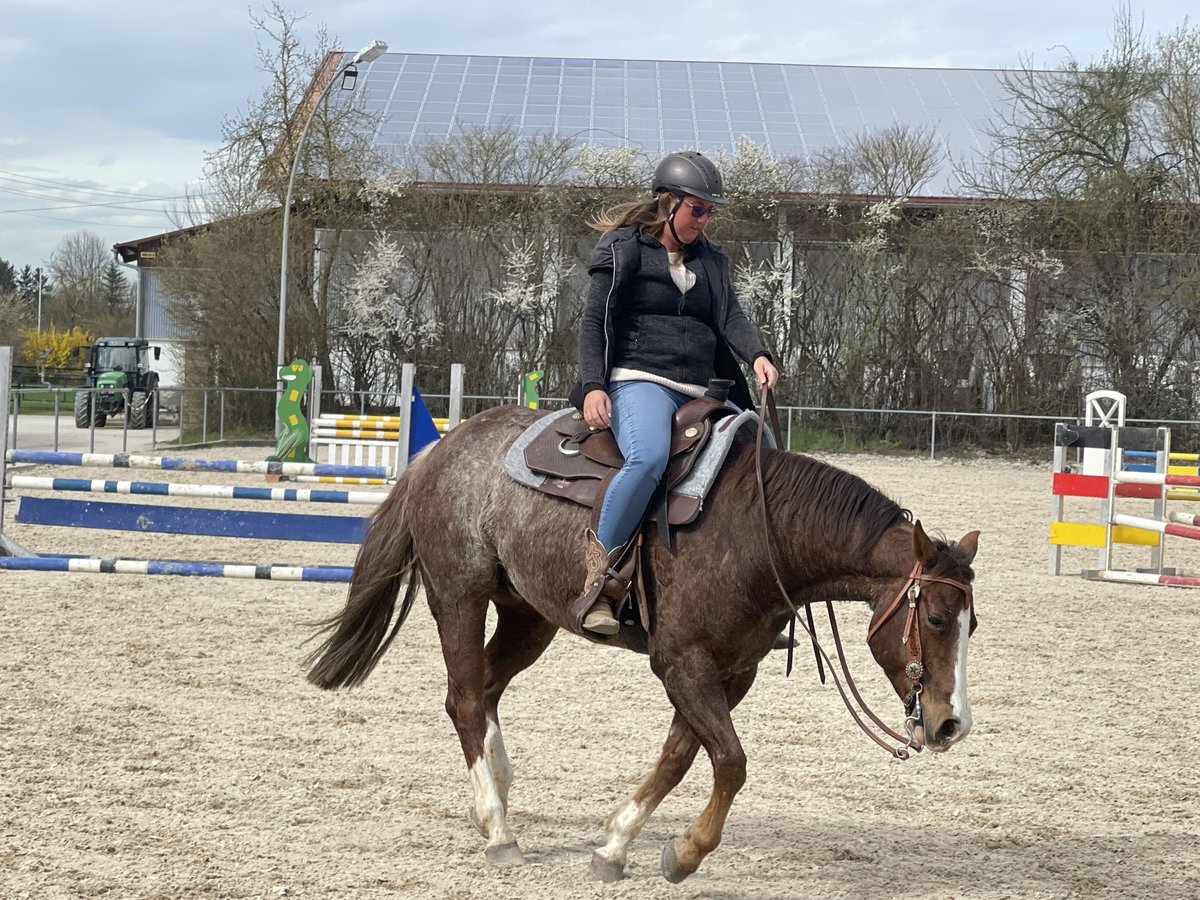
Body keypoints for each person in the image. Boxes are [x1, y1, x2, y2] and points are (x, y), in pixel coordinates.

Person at [568, 150, 779, 635]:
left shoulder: (713, 261)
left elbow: (730, 319)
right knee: (648, 459)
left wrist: (759, 355)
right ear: (668, 204)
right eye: (697, 209)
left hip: (702, 389)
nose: (704, 220)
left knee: (765, 457)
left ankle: (751, 599)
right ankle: (601, 582)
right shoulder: (622, 250)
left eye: (710, 212)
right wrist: (594, 387)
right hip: (638, 380)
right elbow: (594, 324)